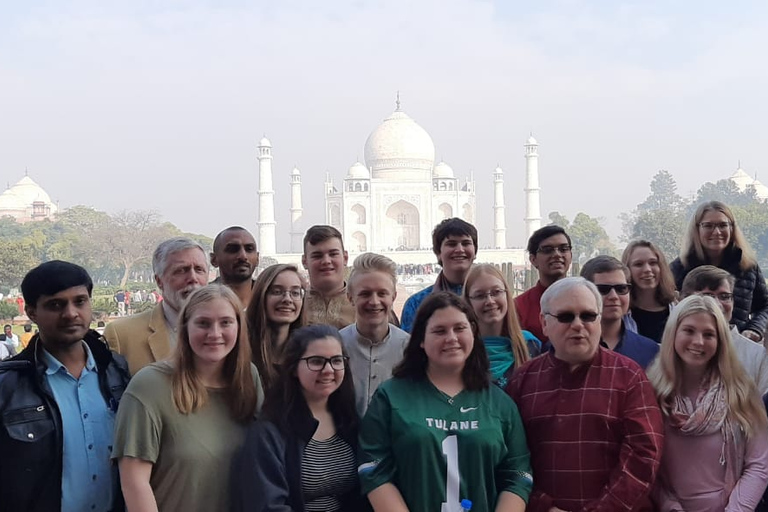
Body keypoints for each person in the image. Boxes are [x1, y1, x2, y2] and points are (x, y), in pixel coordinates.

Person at [359, 292, 532, 512]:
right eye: (439, 331)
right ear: (420, 339)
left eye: (460, 328)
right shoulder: (391, 396)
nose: (451, 338)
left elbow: (518, 475)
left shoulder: (500, 403)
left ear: (473, 332)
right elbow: (373, 469)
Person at [507, 277, 664, 511]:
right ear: (544, 323)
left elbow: (644, 456)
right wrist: (543, 506)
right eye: (566, 316)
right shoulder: (523, 381)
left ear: (599, 321)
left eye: (588, 316)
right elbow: (512, 458)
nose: (578, 325)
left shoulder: (629, 376)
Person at [113, 284, 263, 512]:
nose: (215, 333)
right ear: (185, 327)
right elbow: (134, 482)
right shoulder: (149, 386)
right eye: (203, 323)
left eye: (226, 322)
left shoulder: (248, 379)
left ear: (239, 327)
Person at [0, 261, 131, 512]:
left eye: (80, 301)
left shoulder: (118, 373)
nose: (71, 313)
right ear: (31, 312)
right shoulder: (9, 386)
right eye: (55, 305)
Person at [648, 295, 768, 511]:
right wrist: (668, 506)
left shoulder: (741, 391)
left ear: (720, 340)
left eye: (709, 334)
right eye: (689, 331)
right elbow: (644, 461)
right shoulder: (651, 391)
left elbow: (759, 464)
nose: (698, 342)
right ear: (673, 333)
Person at [233, 324, 366, 511]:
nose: (328, 370)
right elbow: (267, 505)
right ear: (294, 368)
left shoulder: (349, 421)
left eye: (336, 360)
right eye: (317, 361)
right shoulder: (269, 432)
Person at [104, 237, 209, 374]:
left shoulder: (229, 329)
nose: (193, 278)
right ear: (159, 281)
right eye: (181, 270)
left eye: (199, 269)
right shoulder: (121, 334)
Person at [671, 200, 768, 342]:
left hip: (736, 347)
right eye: (708, 225)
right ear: (697, 229)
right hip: (696, 347)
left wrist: (755, 328)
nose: (716, 232)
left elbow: (765, 306)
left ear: (732, 228)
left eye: (723, 225)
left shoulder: (748, 267)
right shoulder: (680, 267)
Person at [340, 253, 409, 416]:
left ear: (393, 297)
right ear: (350, 298)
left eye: (382, 293)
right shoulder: (337, 346)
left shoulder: (410, 349)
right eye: (365, 294)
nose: (374, 301)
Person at [681, 265, 768, 394]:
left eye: (724, 296)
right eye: (708, 295)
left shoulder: (756, 355)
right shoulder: (672, 349)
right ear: (684, 300)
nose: (717, 303)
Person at [462, 263, 540, 388]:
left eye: (496, 292)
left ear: (507, 295)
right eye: (480, 295)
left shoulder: (530, 345)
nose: (490, 301)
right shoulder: (462, 350)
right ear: (468, 302)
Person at [580, 255, 659, 369]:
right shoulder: (565, 347)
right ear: (585, 293)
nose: (613, 296)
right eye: (603, 289)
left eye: (621, 288)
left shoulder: (649, 351)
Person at [400, 218, 478, 333]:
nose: (460, 249)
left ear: (475, 251)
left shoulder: (488, 297)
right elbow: (410, 348)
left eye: (466, 243)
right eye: (451, 244)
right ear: (438, 253)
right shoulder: (417, 303)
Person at [247, 263, 307, 393]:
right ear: (261, 295)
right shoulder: (241, 350)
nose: (287, 299)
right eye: (277, 291)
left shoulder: (309, 351)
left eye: (295, 293)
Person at [514, 225, 573, 345]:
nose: (557, 254)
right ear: (533, 259)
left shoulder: (586, 301)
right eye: (547, 250)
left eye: (563, 249)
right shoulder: (519, 307)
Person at [622, 239, 678, 342]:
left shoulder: (678, 311)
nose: (647, 269)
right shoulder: (621, 316)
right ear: (627, 270)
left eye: (653, 263)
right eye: (639, 264)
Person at [210, 226, 260, 308]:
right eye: (233, 249)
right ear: (214, 259)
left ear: (258, 258)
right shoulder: (200, 303)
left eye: (249, 249)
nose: (243, 256)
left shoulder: (271, 302)